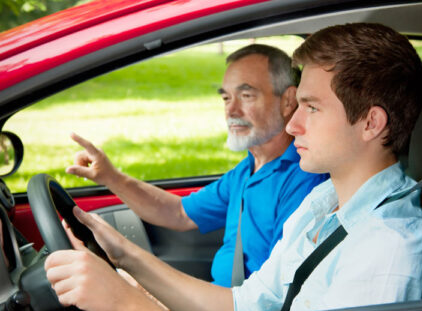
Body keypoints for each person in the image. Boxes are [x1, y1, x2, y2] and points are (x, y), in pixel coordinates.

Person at [45, 23, 422, 311]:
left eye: (312, 107)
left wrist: (125, 304)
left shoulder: (390, 247)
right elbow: (244, 306)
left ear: (371, 123)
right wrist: (124, 256)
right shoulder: (323, 204)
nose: (293, 125)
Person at [65, 44, 328, 287]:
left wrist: (142, 286)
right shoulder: (247, 170)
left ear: (287, 101)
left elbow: (272, 297)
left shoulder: (304, 178)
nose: (231, 110)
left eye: (246, 95)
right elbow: (179, 213)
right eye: (226, 98)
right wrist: (111, 177)